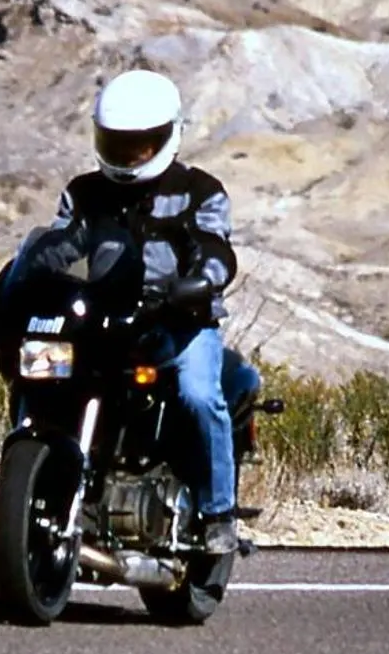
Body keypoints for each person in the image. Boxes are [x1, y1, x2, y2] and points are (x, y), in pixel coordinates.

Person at [44, 68, 259, 555]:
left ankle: (217, 513)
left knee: (198, 395)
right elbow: (59, 242)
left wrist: (202, 280)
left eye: (141, 145)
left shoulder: (199, 190)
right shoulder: (84, 192)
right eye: (118, 143)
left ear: (168, 137)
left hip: (179, 321)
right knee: (50, 379)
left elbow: (214, 246)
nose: (129, 155)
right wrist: (23, 280)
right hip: (102, 321)